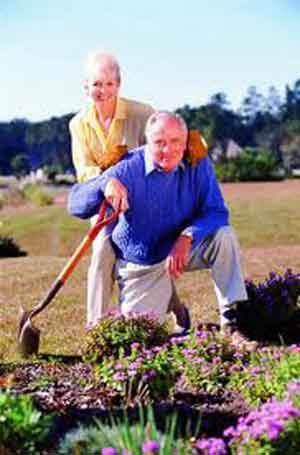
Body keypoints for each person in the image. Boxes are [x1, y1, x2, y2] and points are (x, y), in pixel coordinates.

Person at [68, 111, 248, 342]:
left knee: (224, 236)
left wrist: (187, 236)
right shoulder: (127, 168)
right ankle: (175, 305)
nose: (168, 149)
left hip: (181, 249)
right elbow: (75, 204)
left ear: (185, 142)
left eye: (175, 142)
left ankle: (231, 321)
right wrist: (105, 183)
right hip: (142, 262)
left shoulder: (197, 162)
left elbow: (217, 212)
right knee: (139, 339)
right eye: (159, 143)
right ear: (147, 143)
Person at [69, 53, 188, 330]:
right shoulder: (78, 124)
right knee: (101, 250)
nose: (103, 91)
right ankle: (95, 327)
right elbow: (83, 169)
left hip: (143, 204)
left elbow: (161, 151)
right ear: (85, 87)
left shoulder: (142, 113)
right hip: (104, 203)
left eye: (109, 84)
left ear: (119, 85)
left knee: (150, 256)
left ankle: (178, 309)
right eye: (97, 84)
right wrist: (106, 181)